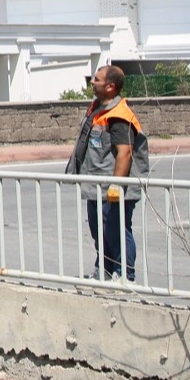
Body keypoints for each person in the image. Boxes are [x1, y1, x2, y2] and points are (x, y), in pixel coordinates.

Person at [65, 65, 149, 281]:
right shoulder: (97, 108)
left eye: (97, 79)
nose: (92, 82)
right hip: (96, 185)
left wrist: (115, 186)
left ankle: (125, 275)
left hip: (111, 188)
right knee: (99, 231)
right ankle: (104, 270)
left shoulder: (119, 116)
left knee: (116, 230)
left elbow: (125, 153)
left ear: (110, 87)